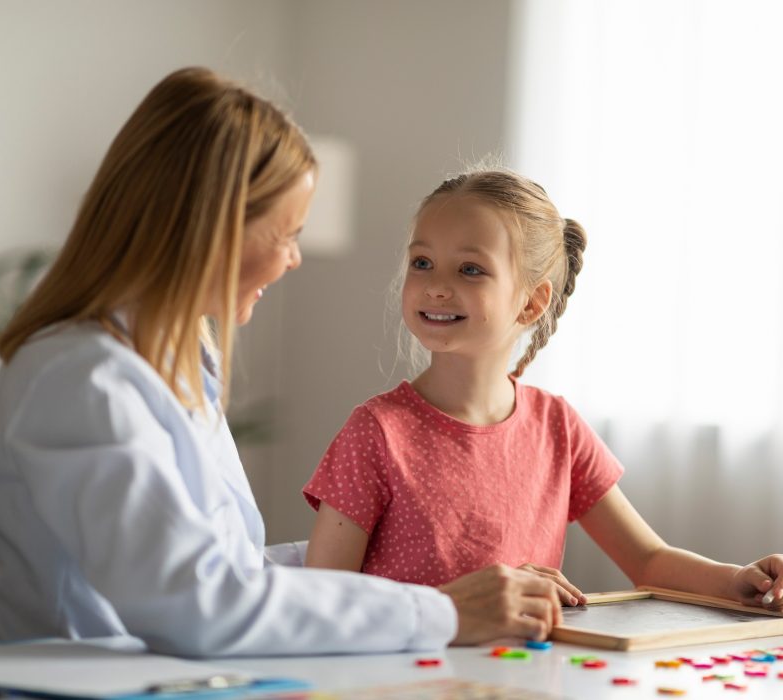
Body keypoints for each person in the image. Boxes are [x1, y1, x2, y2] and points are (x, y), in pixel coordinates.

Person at [0, 69, 563, 658]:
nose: (293, 259)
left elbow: (223, 572)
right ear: (211, 227)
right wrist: (441, 610)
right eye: (285, 233)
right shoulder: (80, 379)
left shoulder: (173, 364)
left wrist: (409, 556)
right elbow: (196, 604)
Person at [303, 167, 783, 611]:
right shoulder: (376, 433)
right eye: (422, 262)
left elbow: (648, 560)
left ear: (532, 303)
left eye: (470, 269)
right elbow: (321, 604)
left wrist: (740, 580)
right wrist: (460, 604)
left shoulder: (557, 426)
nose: (436, 285)